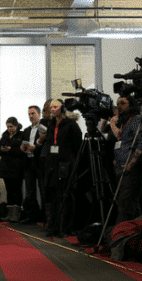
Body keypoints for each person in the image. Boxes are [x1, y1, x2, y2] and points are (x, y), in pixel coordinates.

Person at [41, 99, 82, 237]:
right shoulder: (51, 124)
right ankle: (53, 225)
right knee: (52, 196)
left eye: (55, 107)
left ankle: (65, 228)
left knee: (66, 196)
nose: (52, 109)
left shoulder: (72, 125)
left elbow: (77, 147)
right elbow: (49, 143)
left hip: (66, 165)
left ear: (62, 108)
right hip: (52, 165)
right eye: (51, 107)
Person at [107, 96, 142, 225]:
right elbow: (121, 139)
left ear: (131, 105)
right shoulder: (123, 122)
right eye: (118, 103)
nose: (119, 106)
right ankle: (131, 231)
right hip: (120, 168)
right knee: (126, 203)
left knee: (126, 203)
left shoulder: (136, 119)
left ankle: (122, 234)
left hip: (131, 169)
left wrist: (132, 162)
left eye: (123, 103)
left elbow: (141, 143)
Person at [19, 105, 46, 224]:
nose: (31, 116)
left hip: (40, 162)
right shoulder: (26, 130)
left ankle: (45, 216)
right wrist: (23, 148)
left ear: (39, 114)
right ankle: (31, 215)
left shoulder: (44, 129)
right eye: (29, 114)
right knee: (30, 191)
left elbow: (46, 146)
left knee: (43, 189)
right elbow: (22, 145)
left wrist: (35, 147)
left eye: (33, 114)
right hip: (29, 162)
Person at [0, 117, 25, 222]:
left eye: (11, 126)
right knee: (9, 191)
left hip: (17, 168)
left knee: (17, 190)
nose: (9, 129)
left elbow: (22, 151)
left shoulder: (21, 135)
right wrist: (2, 150)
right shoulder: (4, 136)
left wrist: (11, 149)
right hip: (6, 168)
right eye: (7, 127)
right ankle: (9, 213)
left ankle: (16, 214)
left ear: (16, 126)